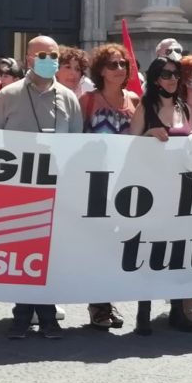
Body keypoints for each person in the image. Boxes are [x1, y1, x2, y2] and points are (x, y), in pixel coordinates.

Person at [0, 35, 82, 338]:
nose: (48, 59)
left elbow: (77, 145)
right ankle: (22, 314)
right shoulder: (8, 95)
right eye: (41, 54)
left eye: (53, 54)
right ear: (28, 59)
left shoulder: (69, 98)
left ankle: (48, 315)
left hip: (56, 189)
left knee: (51, 257)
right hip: (18, 189)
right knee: (23, 254)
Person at [131, 56, 192, 333]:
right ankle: (143, 313)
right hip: (152, 190)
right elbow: (127, 148)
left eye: (175, 74)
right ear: (154, 78)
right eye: (165, 74)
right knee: (152, 250)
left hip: (182, 189)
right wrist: (147, 135)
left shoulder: (183, 108)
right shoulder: (145, 107)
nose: (172, 79)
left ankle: (177, 310)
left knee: (179, 251)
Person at [81, 44, 138, 331]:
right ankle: (98, 305)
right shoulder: (88, 101)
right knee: (96, 245)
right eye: (113, 64)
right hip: (94, 183)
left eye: (123, 65)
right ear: (100, 69)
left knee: (116, 245)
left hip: (125, 184)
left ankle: (108, 299)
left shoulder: (134, 100)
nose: (119, 70)